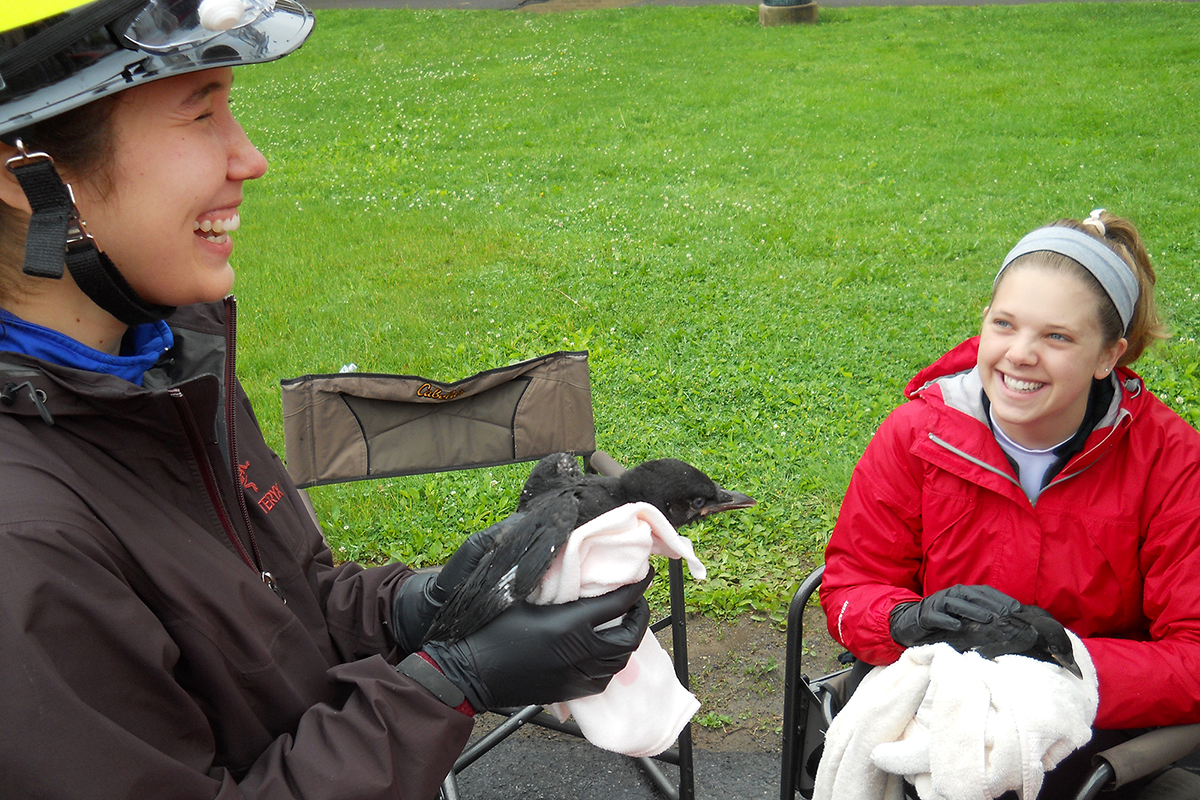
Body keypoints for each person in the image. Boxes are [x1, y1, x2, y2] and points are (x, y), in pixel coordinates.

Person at [0, 2, 651, 798]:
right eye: (200, 112)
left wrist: (416, 609)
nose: (250, 158)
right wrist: (445, 687)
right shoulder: (23, 539)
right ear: (24, 172)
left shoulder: (159, 366)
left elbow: (280, 617)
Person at [820, 209, 1200, 797]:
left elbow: (1194, 654)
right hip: (934, 719)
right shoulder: (917, 435)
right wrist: (908, 620)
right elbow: (852, 586)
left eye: (1057, 336)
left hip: (1095, 736)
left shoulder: (1172, 461)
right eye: (1005, 324)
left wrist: (1061, 660)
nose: (1019, 354)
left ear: (1108, 356)